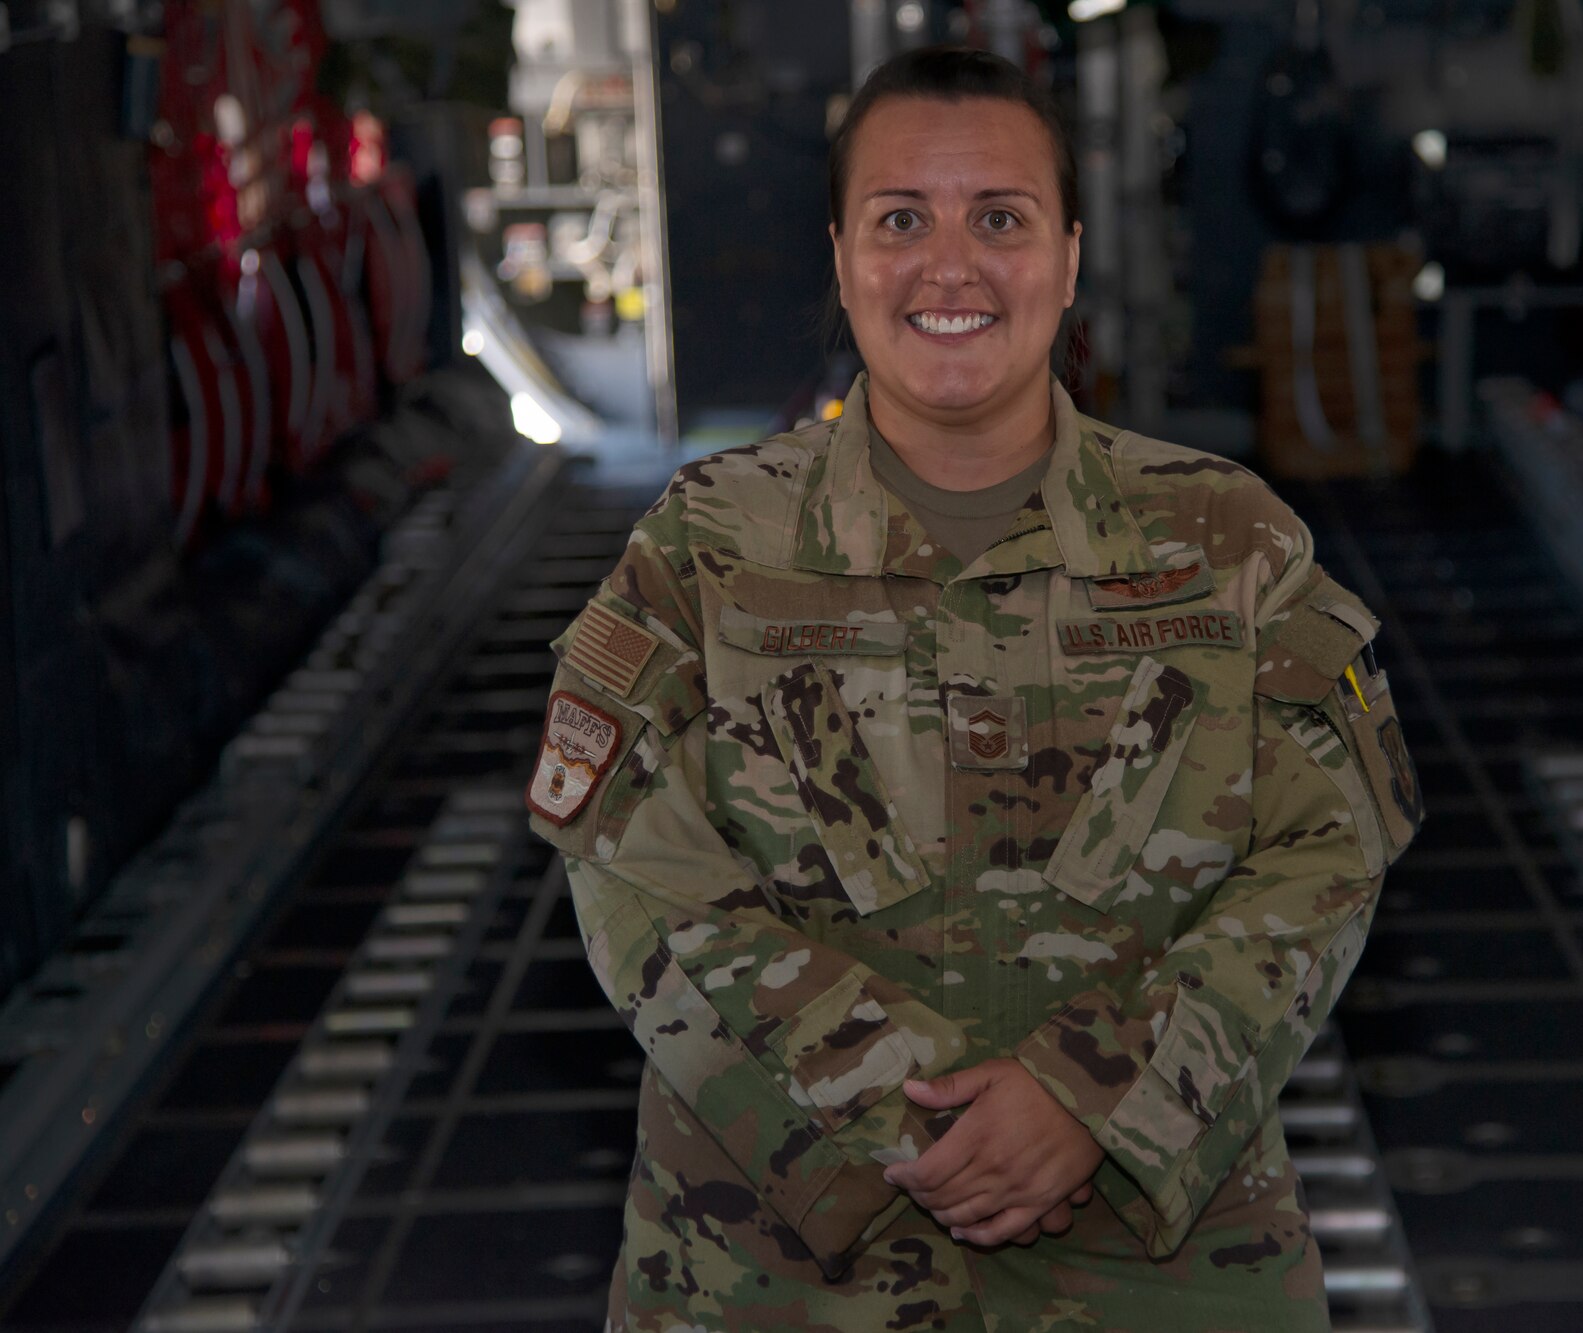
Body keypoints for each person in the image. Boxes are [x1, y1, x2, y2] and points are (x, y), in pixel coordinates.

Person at [526, 44, 1422, 1333]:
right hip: (778, 1282)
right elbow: (629, 863)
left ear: (1067, 254)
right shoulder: (705, 548)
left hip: (1155, 1277)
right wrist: (910, 1117)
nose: (950, 266)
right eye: (903, 221)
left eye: (998, 219)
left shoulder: (1229, 541)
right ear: (842, 258)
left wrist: (1095, 1101)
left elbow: (1326, 854)